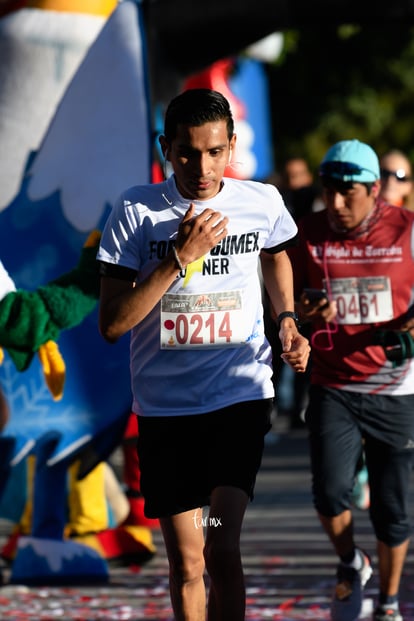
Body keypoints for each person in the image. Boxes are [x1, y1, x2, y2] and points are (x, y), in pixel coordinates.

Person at [97, 88, 310, 621]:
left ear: (232, 145)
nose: (202, 166)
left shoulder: (260, 202)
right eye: (188, 152)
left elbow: (277, 256)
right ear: (165, 148)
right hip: (166, 409)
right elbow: (112, 324)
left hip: (237, 394)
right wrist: (178, 259)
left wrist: (286, 320)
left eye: (216, 151)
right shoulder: (135, 210)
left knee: (222, 546)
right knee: (188, 561)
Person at [288, 139, 414, 621]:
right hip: (333, 381)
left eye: (349, 193)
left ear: (375, 189)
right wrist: (299, 310)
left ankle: (388, 602)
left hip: (394, 385)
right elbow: (284, 296)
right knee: (329, 492)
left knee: (391, 507)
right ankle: (350, 561)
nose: (337, 203)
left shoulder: (405, 229)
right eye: (329, 191)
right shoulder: (309, 232)